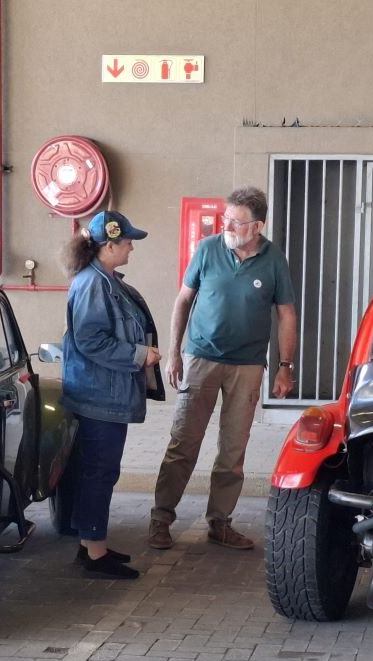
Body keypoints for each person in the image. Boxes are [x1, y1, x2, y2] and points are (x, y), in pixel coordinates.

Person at [149, 186, 297, 550]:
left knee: (233, 451)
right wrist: (175, 352)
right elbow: (183, 300)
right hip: (201, 358)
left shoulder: (274, 260)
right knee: (184, 443)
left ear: (257, 226)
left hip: (247, 366)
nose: (226, 226)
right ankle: (161, 518)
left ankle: (220, 522)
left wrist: (285, 366)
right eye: (225, 218)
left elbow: (286, 314)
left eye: (236, 221)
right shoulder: (208, 249)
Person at [61, 209, 164, 578]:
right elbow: (90, 340)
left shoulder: (104, 281)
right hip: (98, 396)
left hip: (103, 394)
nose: (131, 248)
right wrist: (139, 355)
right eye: (127, 242)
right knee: (99, 471)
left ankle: (91, 545)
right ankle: (94, 553)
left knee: (99, 470)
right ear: (108, 245)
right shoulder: (93, 284)